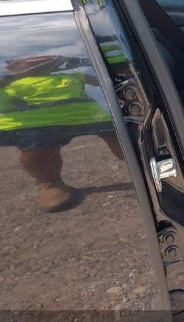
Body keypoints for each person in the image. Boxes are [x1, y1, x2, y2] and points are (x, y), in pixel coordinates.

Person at [0, 55, 122, 213]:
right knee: (38, 152)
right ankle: (50, 183)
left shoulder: (72, 76)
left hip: (88, 116)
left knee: (122, 137)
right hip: (36, 124)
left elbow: (102, 82)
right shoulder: (8, 83)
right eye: (26, 61)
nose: (35, 63)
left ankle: (141, 161)